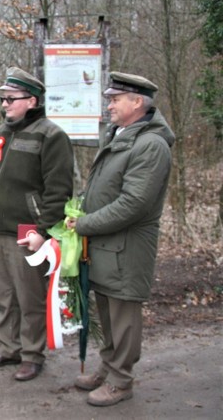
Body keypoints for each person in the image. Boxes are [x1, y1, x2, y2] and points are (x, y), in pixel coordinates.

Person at [66, 72, 174, 407]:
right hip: (106, 245)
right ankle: (108, 367)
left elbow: (134, 204)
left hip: (127, 248)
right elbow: (104, 189)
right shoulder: (121, 135)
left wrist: (84, 224)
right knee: (108, 312)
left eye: (115, 99)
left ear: (137, 102)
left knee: (124, 316)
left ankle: (121, 381)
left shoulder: (150, 145)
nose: (109, 105)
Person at [0, 67, 74, 381]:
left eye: (11, 99)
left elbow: (58, 191)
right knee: (4, 296)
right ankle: (8, 348)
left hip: (28, 232)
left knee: (29, 296)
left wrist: (42, 232)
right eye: (3, 99)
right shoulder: (0, 134)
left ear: (32, 100)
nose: (4, 104)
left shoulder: (51, 136)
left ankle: (31, 355)